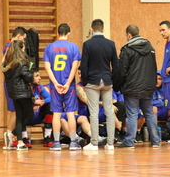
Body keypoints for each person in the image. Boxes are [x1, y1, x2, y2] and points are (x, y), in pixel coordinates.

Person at [114, 24, 159, 148]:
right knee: (149, 113)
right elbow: (154, 67)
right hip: (148, 87)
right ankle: (155, 141)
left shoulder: (127, 49)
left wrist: (117, 85)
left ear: (129, 35)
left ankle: (129, 142)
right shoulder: (150, 47)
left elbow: (122, 71)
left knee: (132, 114)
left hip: (132, 87)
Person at [80, 19, 119, 151]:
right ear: (103, 29)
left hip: (92, 81)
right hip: (107, 81)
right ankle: (110, 144)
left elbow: (83, 66)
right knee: (109, 111)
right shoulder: (111, 44)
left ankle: (95, 143)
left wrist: (85, 81)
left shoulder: (87, 44)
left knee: (94, 112)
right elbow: (116, 65)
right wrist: (111, 78)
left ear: (91, 29)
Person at [43, 23, 81, 151]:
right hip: (68, 87)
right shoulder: (74, 47)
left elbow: (47, 67)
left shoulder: (49, 47)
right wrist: (67, 84)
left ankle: (57, 143)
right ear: (69, 33)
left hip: (55, 87)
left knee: (57, 114)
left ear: (58, 33)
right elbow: (74, 68)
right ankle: (73, 142)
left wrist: (55, 83)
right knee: (71, 114)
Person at [1, 40, 34, 151]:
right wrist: (31, 72)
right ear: (21, 49)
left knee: (19, 117)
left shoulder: (8, 64)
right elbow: (29, 77)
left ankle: (19, 142)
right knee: (30, 115)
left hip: (13, 93)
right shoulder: (21, 63)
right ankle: (12, 134)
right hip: (23, 92)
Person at [2, 27, 27, 149]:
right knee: (14, 111)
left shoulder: (8, 46)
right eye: (23, 38)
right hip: (12, 82)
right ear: (18, 36)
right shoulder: (11, 46)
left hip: (11, 82)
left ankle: (11, 137)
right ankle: (8, 137)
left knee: (14, 111)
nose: (24, 41)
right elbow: (3, 64)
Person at [24, 69, 53, 147]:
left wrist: (42, 102)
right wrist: (33, 102)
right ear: (29, 78)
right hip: (26, 117)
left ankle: (47, 137)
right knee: (20, 108)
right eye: (37, 76)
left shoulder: (39, 87)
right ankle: (24, 138)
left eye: (39, 75)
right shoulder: (24, 88)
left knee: (51, 106)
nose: (40, 78)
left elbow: (51, 97)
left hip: (38, 116)